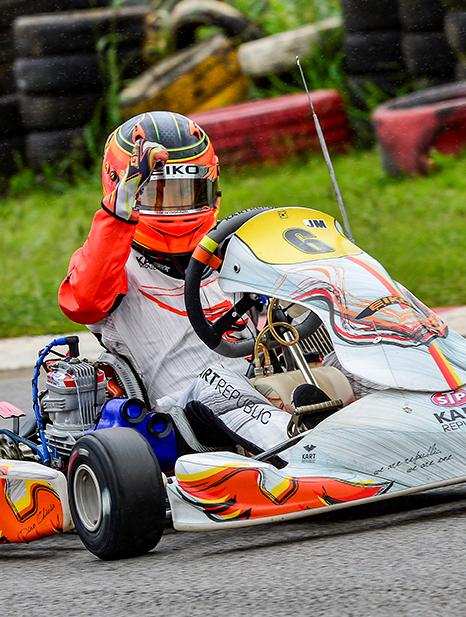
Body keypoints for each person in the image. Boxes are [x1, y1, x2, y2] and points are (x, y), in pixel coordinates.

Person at [58, 111, 296, 459]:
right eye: (158, 194)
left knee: (344, 351)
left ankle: (395, 437)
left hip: (265, 387)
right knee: (220, 381)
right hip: (179, 419)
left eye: (189, 191)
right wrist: (117, 216)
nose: (176, 209)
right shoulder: (115, 264)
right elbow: (83, 302)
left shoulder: (233, 249)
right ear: (124, 188)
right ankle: (305, 458)